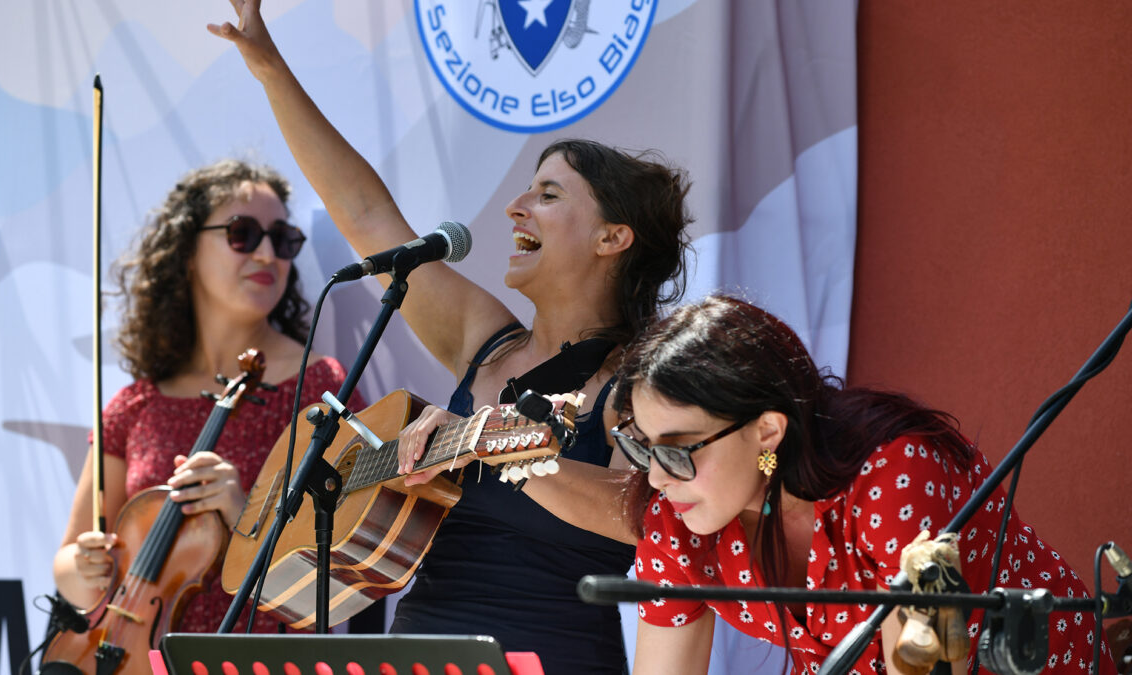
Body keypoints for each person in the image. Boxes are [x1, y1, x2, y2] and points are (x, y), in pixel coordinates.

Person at [208, 3, 692, 671]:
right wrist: (269, 70)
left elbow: (639, 513)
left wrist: (496, 445)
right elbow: (368, 216)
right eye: (524, 191)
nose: (514, 207)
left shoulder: (638, 380)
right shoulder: (484, 341)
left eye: (548, 195)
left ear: (614, 237)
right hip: (420, 652)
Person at [614, 294, 1116, 675]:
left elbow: (924, 665)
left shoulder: (895, 472)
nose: (657, 476)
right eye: (643, 447)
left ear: (767, 430)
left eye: (678, 449)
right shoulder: (679, 513)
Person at [52, 159, 366, 633]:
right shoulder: (134, 405)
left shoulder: (322, 389)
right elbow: (69, 568)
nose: (267, 255)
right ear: (187, 252)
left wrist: (245, 514)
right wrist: (84, 569)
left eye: (281, 239)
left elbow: (342, 568)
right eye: (242, 233)